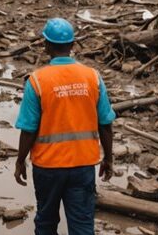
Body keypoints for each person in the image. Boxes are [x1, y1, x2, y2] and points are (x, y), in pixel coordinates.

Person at [13, 18, 115, 235]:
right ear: (72, 45)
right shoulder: (92, 77)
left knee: (46, 222)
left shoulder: (37, 81)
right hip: (83, 164)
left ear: (46, 45)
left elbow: (29, 129)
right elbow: (105, 124)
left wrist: (20, 160)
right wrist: (108, 158)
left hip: (48, 166)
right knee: (82, 224)